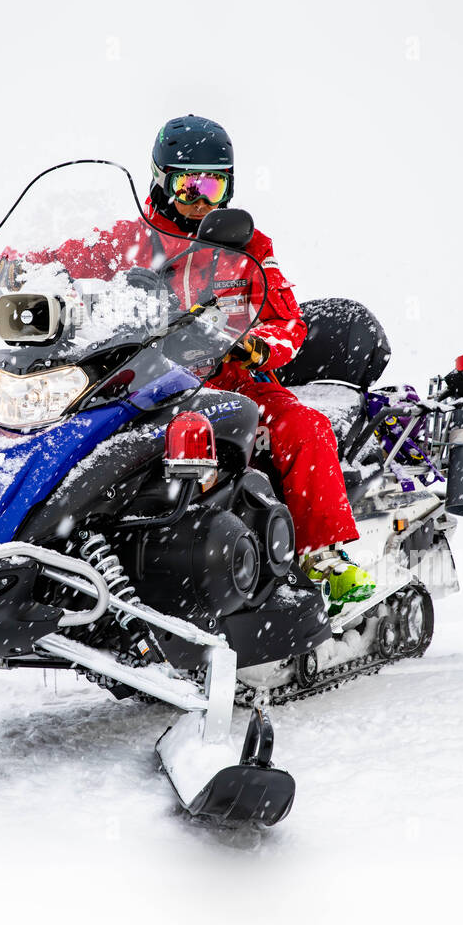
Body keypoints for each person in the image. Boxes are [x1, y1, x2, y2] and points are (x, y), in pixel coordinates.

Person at [145, 115, 375, 609]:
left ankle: (322, 556)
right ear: (160, 181)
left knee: (304, 425)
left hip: (234, 384)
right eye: (187, 185)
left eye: (213, 184)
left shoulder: (247, 247)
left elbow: (287, 319)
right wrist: (14, 268)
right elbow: (69, 261)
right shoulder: (128, 239)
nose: (200, 198)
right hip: (147, 382)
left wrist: (259, 345)